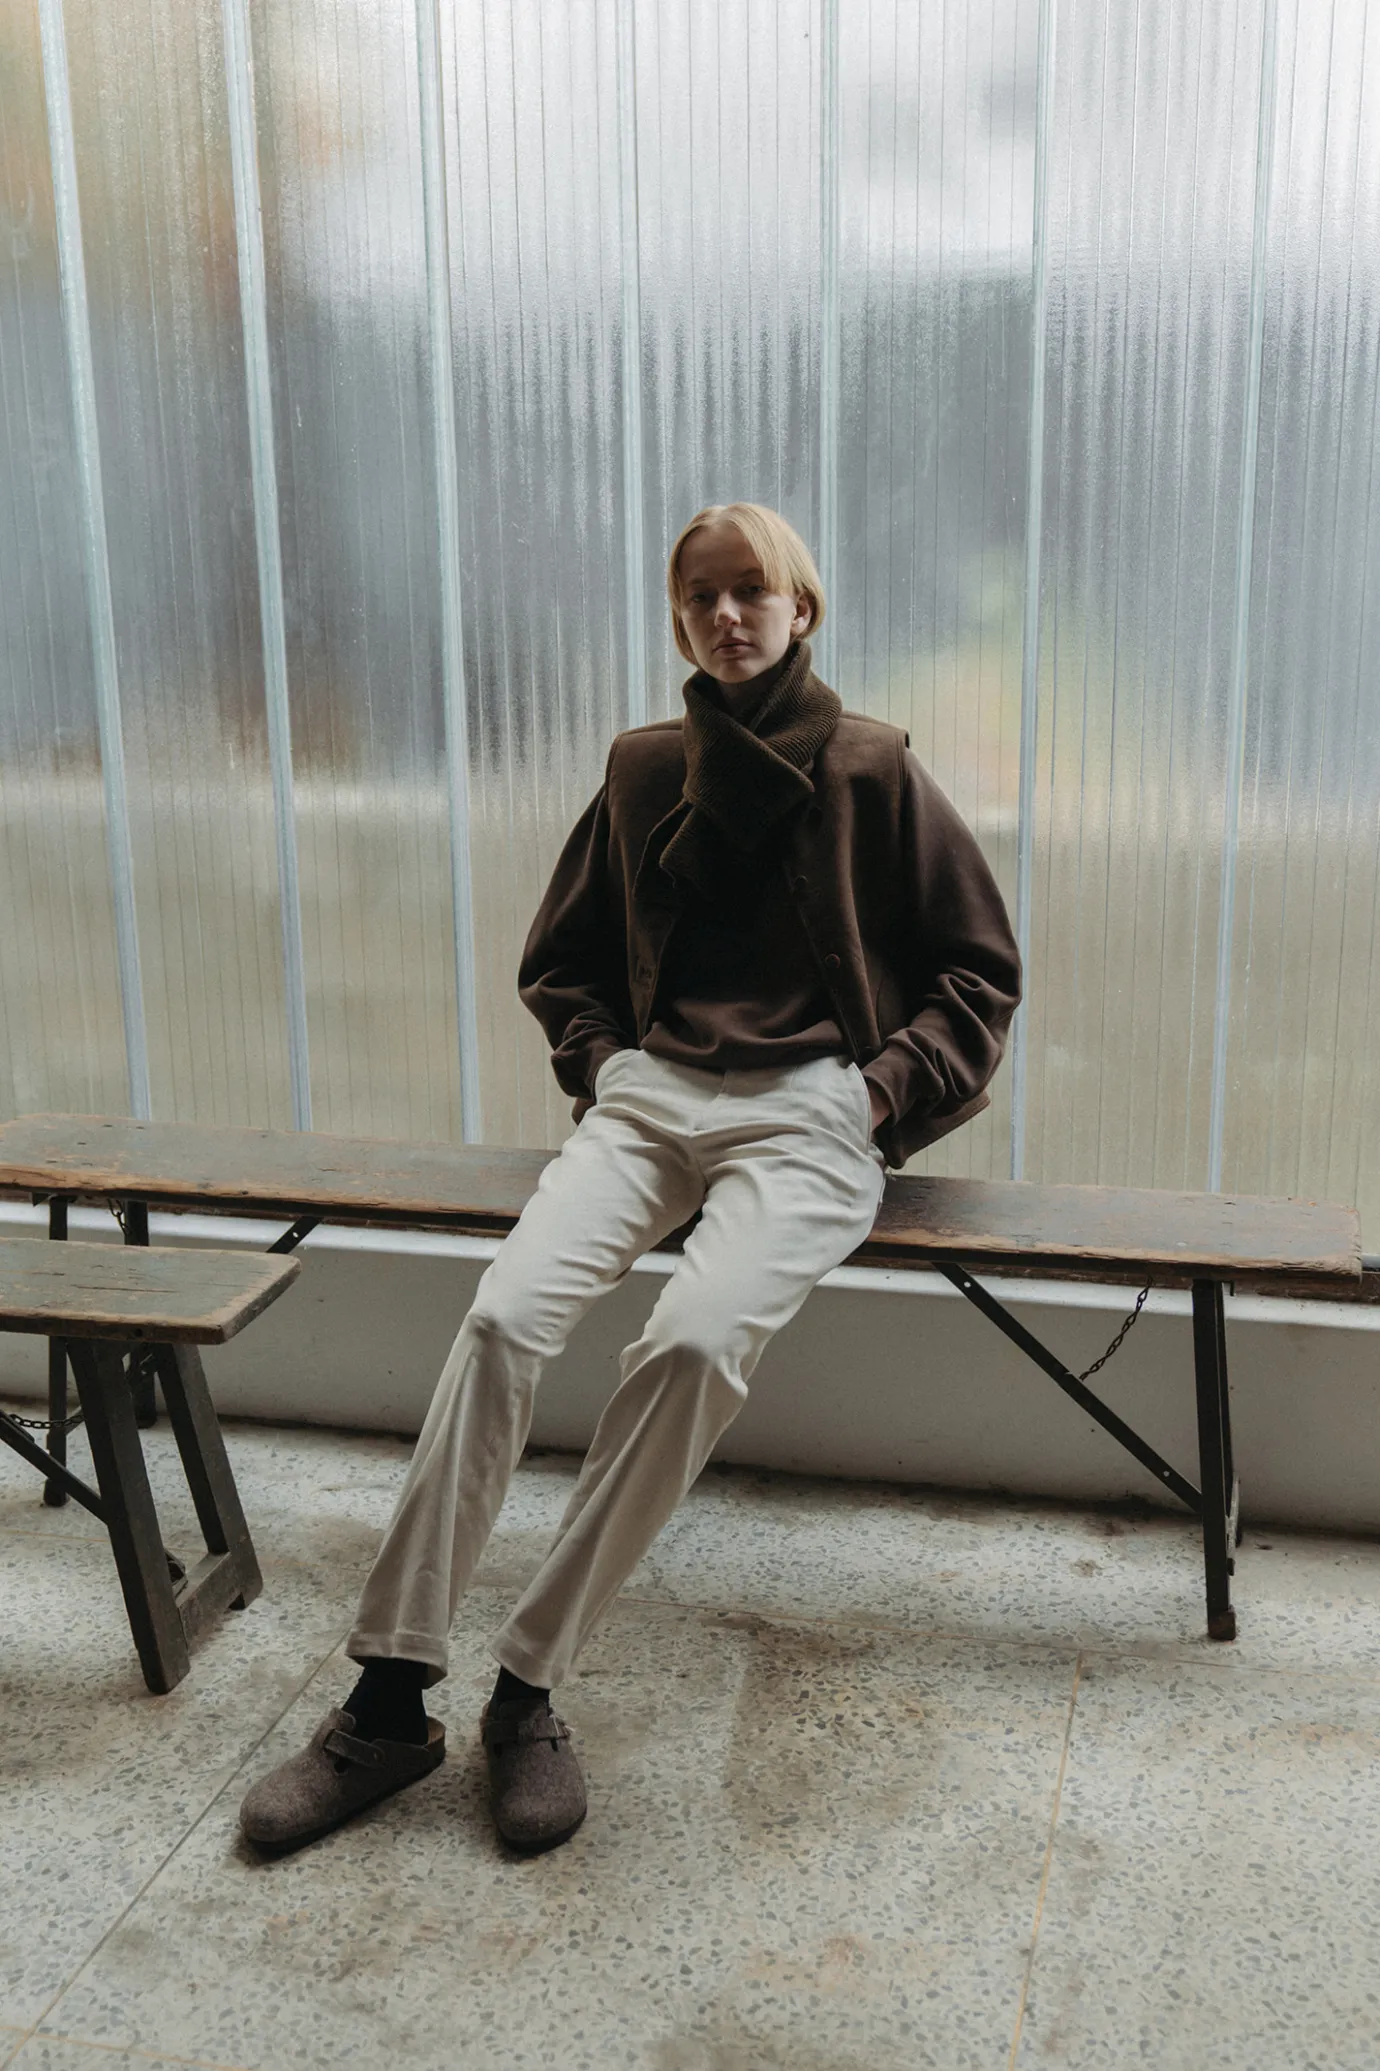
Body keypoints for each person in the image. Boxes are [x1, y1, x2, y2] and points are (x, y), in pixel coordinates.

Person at [239, 501, 1022, 1856]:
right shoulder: (646, 769)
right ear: (680, 619)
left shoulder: (874, 766)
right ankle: (389, 1695)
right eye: (702, 596)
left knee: (697, 1342)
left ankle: (527, 1686)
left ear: (801, 609)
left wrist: (875, 1093)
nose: (727, 615)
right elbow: (563, 957)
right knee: (502, 1318)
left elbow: (979, 969)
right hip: (653, 1100)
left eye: (752, 591)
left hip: (809, 1113)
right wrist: (604, 1066)